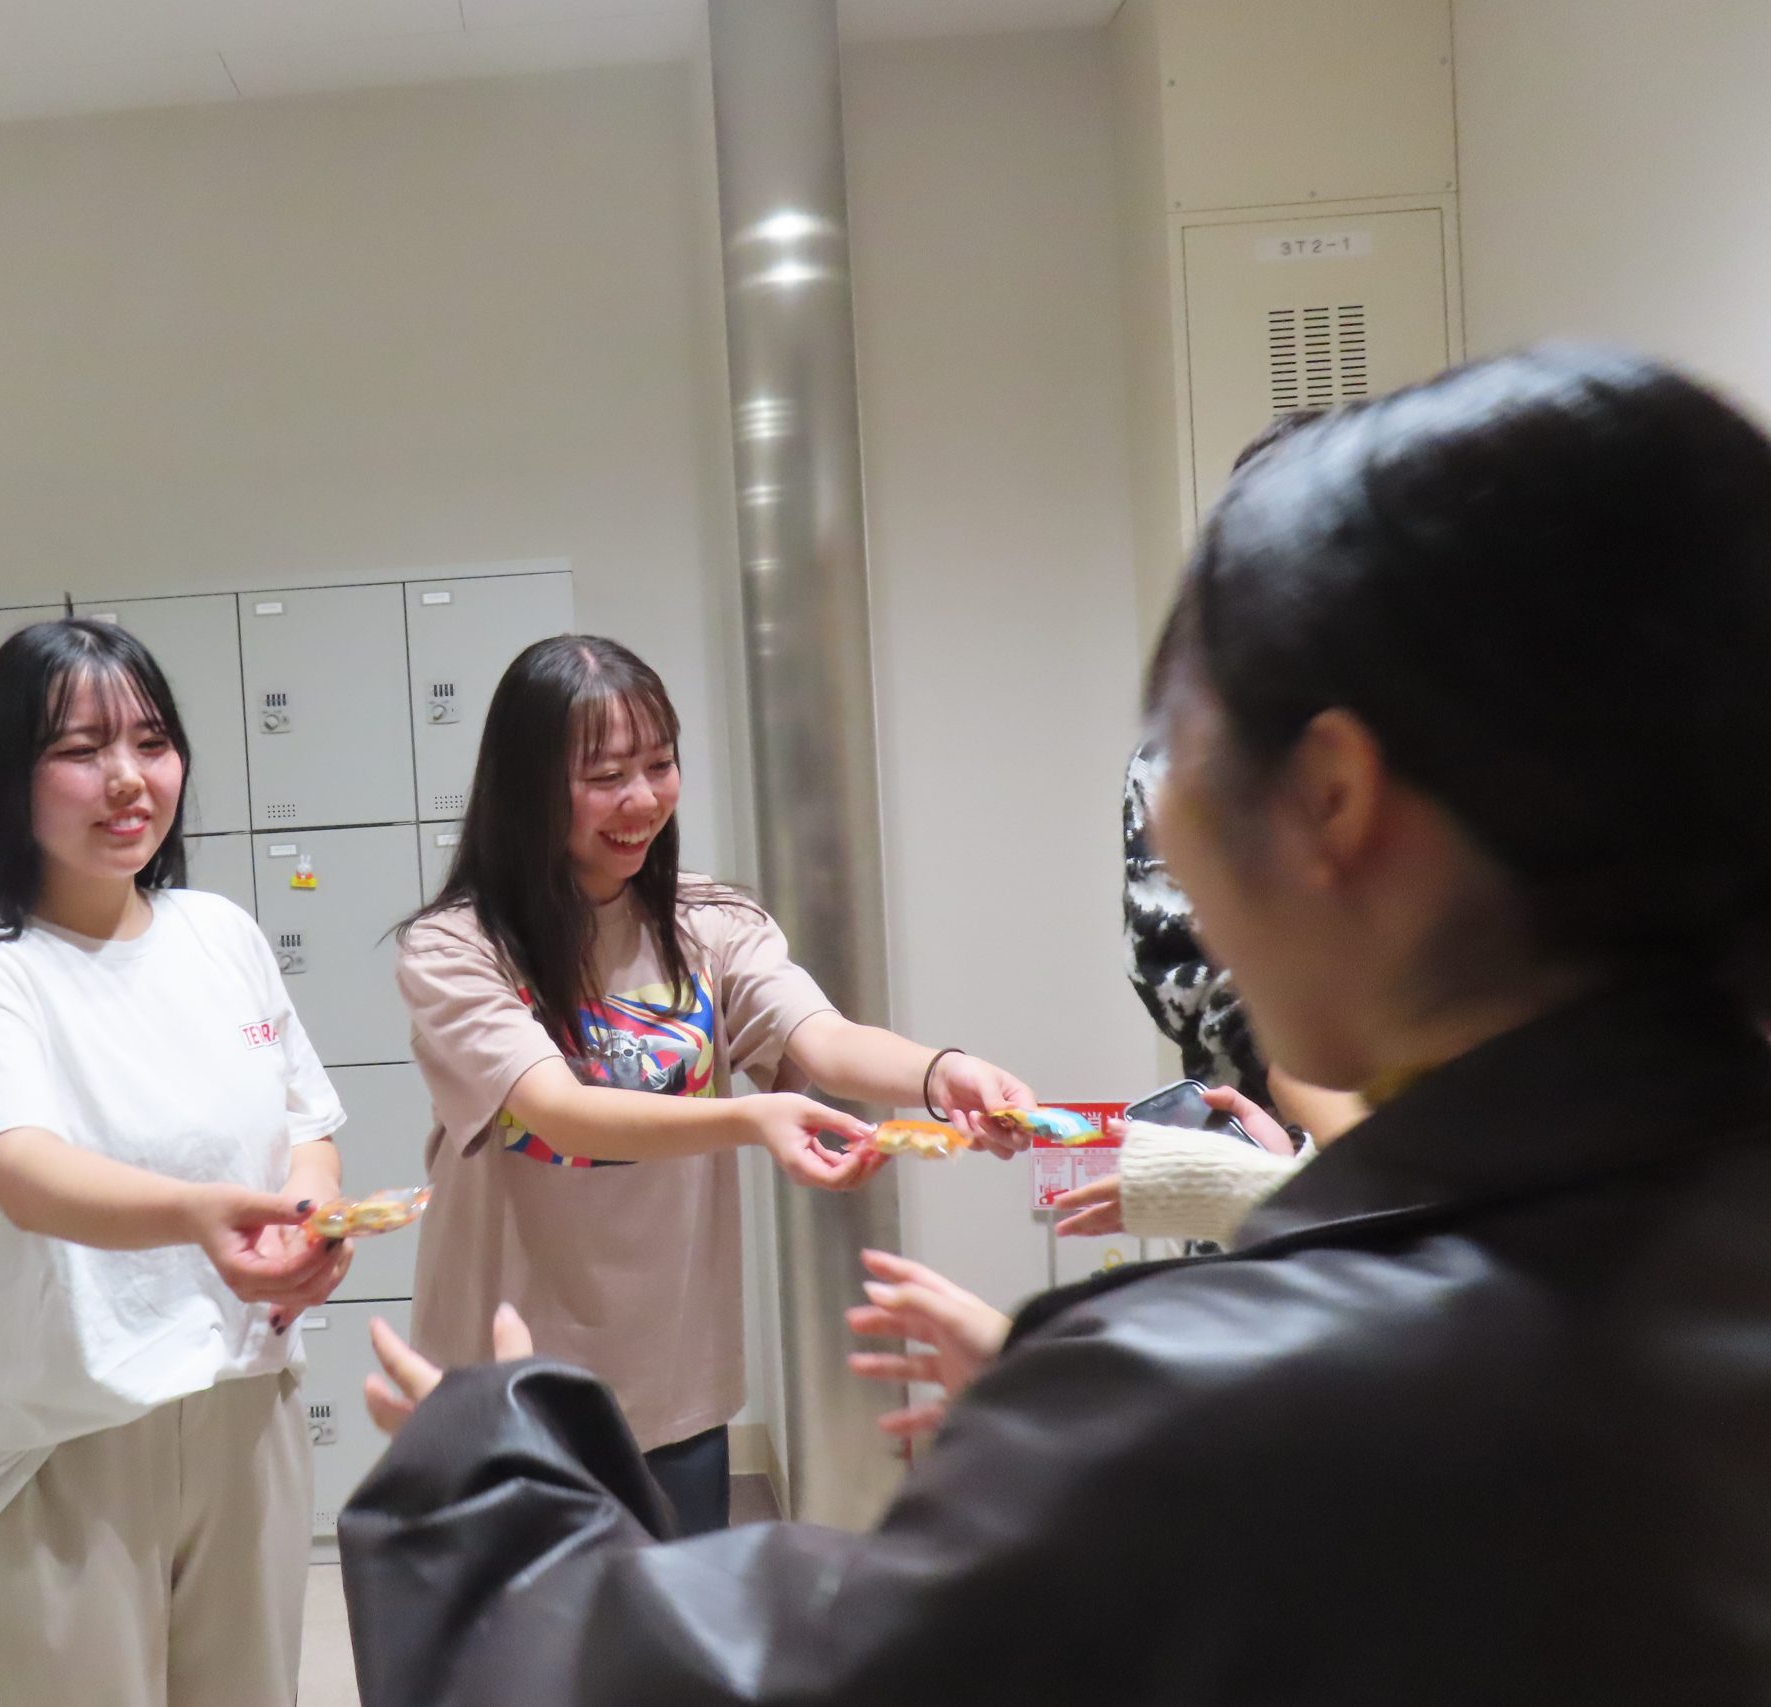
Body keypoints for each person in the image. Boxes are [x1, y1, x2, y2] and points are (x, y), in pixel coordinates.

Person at [340, 348, 1771, 1705]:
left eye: (1181, 743)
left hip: (623, 1393)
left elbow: (755, 1672)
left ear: (1336, 798)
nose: (1165, 838)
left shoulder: (1218, 1395)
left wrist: (487, 1489)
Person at [391, 634, 1037, 1537]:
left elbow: (824, 1037)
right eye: (605, 775)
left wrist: (940, 1074)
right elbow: (557, 1110)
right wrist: (751, 1117)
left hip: (673, 1386)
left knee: (676, 1621)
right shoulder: (456, 949)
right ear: (527, 786)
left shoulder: (712, 922)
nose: (642, 799)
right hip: (506, 1387)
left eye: (660, 764)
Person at [0, 619, 353, 1707]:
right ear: (9, 777)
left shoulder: (220, 934)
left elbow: (304, 1123)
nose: (127, 778)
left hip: (244, 1400)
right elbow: (22, 1168)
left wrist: (310, 1218)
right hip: (57, 1430)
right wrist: (200, 1216)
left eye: (151, 741)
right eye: (80, 749)